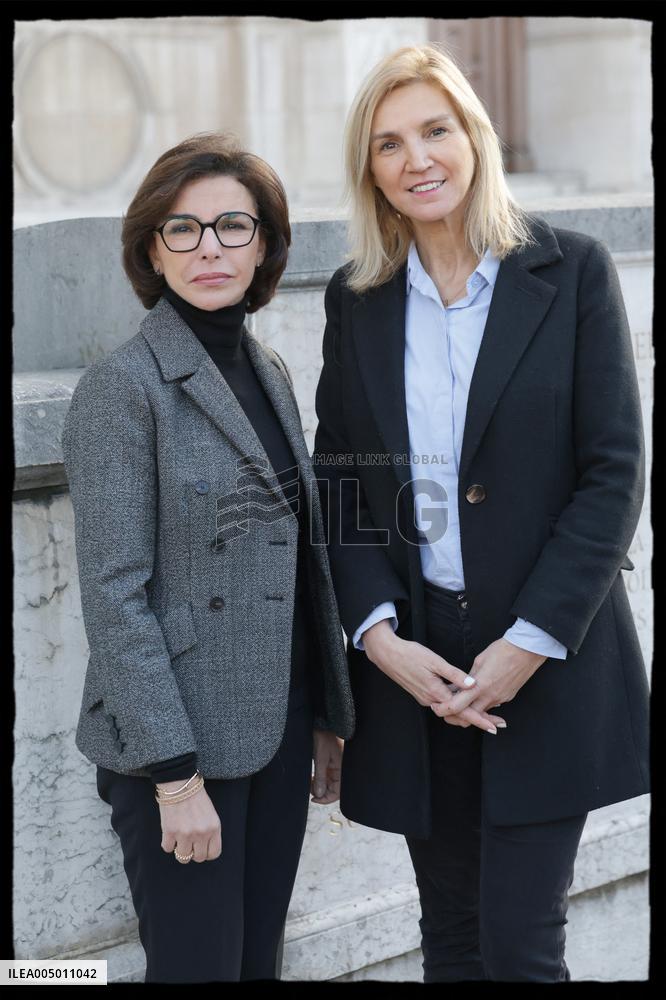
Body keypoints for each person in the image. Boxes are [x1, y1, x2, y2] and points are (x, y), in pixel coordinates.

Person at [313, 44, 650, 983]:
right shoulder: (358, 297)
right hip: (416, 660)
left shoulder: (571, 272)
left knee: (521, 946)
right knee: (451, 939)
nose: (416, 159)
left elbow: (613, 473)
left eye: (435, 130)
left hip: (544, 656)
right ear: (369, 168)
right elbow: (340, 474)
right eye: (388, 143)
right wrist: (377, 635)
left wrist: (529, 642)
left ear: (475, 137)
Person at [62, 132, 354, 984]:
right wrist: (175, 780)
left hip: (277, 729)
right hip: (179, 749)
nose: (210, 249)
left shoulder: (269, 370)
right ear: (152, 249)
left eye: (233, 226)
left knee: (258, 965)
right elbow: (115, 596)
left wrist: (325, 712)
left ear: (265, 245)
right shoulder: (123, 388)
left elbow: (298, 562)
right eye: (183, 229)